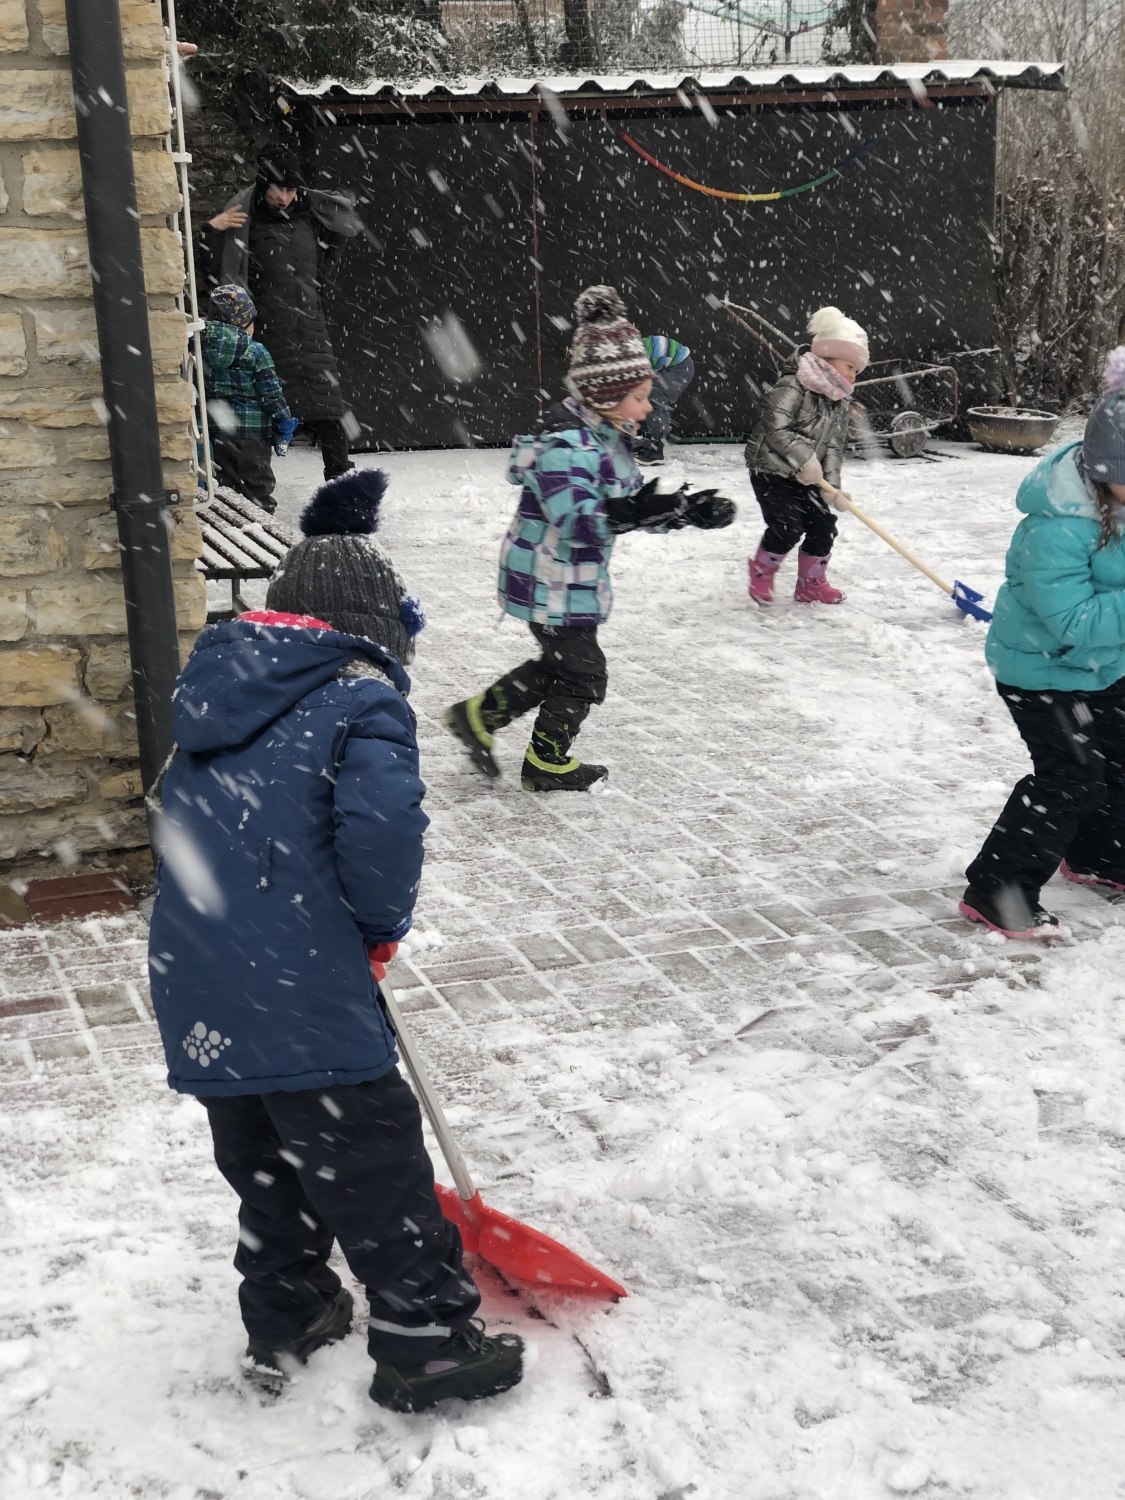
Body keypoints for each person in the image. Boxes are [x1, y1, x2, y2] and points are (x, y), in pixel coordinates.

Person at [146, 470, 521, 1413]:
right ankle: (426, 1340)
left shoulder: (212, 694)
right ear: (372, 630)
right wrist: (378, 927)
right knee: (371, 1162)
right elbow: (382, 832)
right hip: (303, 979)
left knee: (264, 1159)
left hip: (200, 979)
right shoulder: (361, 700)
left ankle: (289, 1309)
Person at [444, 284, 735, 793]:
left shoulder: (607, 437)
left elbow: (627, 504)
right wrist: (641, 510)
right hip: (547, 578)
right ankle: (546, 762)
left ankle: (479, 717)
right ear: (605, 395)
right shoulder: (565, 445)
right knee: (583, 676)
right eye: (640, 397)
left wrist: (683, 511)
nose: (647, 408)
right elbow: (579, 520)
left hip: (567, 580)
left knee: (560, 667)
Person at [960, 349, 1125, 939]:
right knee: (1071, 776)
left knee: (1117, 761)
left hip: (1101, 668)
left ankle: (1099, 855)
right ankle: (997, 889)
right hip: (1041, 671)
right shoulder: (1058, 526)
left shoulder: (1118, 502)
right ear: (1104, 470)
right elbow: (1072, 621)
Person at [198, 144, 363, 482]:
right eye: (278, 189)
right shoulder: (246, 220)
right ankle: (254, 487)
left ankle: (341, 489)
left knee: (330, 410)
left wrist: (316, 295)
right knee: (260, 414)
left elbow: (325, 265)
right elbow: (216, 277)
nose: (284, 197)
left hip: (310, 329)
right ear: (263, 185)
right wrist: (212, 231)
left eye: (290, 190)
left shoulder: (309, 216)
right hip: (267, 332)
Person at [743, 306, 868, 606]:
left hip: (808, 476)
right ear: (827, 355)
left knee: (823, 525)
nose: (852, 373)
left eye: (856, 369)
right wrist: (805, 459)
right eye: (849, 365)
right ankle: (761, 572)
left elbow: (834, 448)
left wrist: (833, 489)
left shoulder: (839, 402)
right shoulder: (794, 384)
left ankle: (811, 584)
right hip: (771, 470)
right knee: (788, 525)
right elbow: (775, 425)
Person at [199, 284, 296, 514]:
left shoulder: (198, 347)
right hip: (253, 434)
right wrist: (284, 420)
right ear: (243, 322)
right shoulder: (255, 351)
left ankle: (228, 521)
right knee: (258, 484)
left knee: (224, 484)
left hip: (217, 430)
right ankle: (262, 523)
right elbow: (271, 393)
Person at [634, 333, 695, 465]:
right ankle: (644, 443)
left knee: (654, 399)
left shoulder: (631, 358)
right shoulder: (627, 354)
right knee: (643, 397)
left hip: (680, 367)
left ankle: (654, 451)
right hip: (669, 366)